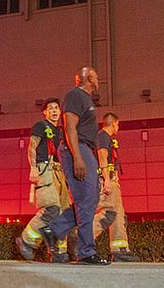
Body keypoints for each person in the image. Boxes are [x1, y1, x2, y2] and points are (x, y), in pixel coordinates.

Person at [41, 66, 109, 265]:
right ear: (88, 78)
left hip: (85, 149)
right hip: (76, 148)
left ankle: (53, 231)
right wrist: (77, 157)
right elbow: (70, 126)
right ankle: (87, 252)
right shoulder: (75, 96)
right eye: (96, 75)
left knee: (89, 198)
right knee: (87, 198)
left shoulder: (86, 100)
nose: (98, 79)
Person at [16, 98, 72, 262]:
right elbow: (32, 147)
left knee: (65, 214)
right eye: (51, 108)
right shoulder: (41, 126)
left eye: (56, 108)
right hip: (44, 169)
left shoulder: (61, 131)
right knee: (52, 209)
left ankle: (58, 252)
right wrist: (33, 168)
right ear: (45, 112)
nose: (54, 111)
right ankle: (26, 240)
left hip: (59, 172)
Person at [93, 112, 140, 262]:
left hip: (112, 180)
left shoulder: (107, 138)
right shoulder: (102, 136)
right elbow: (102, 156)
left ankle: (120, 251)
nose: (118, 127)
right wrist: (106, 179)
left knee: (118, 215)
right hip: (106, 180)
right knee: (109, 213)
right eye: (118, 124)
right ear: (114, 123)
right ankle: (81, 237)